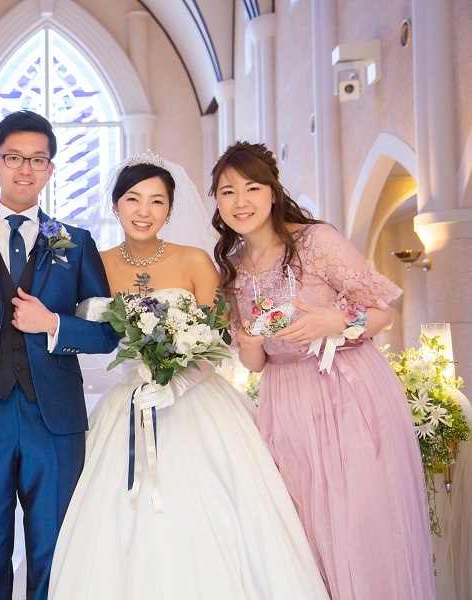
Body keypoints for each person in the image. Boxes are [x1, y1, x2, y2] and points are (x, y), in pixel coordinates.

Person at [48, 152, 330, 599]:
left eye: (157, 201)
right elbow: (88, 333)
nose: (144, 211)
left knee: (214, 508)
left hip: (197, 397)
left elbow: (220, 338)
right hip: (129, 401)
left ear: (170, 210)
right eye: (133, 199)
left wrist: (177, 382)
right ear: (116, 205)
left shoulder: (195, 260)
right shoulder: (95, 265)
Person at [211, 141, 435, 600]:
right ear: (217, 202)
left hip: (348, 386)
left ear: (272, 191)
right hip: (285, 400)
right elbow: (255, 364)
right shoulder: (231, 270)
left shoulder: (315, 241)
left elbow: (383, 313)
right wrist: (249, 344)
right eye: (227, 191)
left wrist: (336, 321)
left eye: (252, 188)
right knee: (305, 528)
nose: (240, 201)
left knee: (361, 521)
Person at [0, 110, 118, 600]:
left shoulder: (76, 243)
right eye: (14, 158)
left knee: (53, 553)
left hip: (54, 419)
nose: (25, 169)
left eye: (37, 159)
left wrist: (53, 323)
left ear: (50, 169)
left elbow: (108, 332)